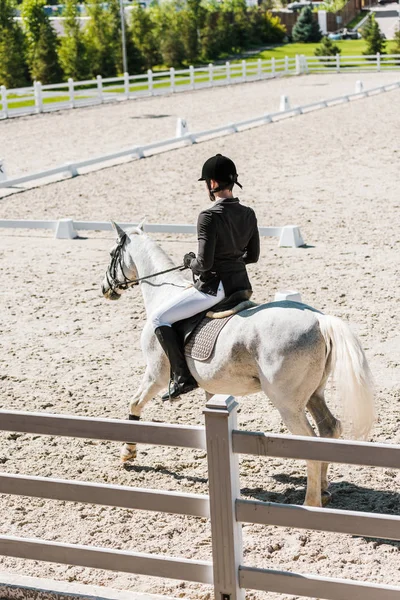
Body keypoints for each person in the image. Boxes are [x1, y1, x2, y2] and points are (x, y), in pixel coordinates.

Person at [151, 153, 260, 400]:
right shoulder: (249, 213)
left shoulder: (209, 216)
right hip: (242, 286)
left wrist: (189, 261)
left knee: (159, 318)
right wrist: (232, 262)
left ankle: (182, 376)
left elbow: (205, 263)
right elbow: (252, 257)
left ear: (212, 184)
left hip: (216, 289)